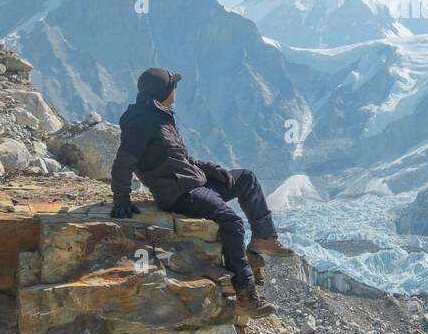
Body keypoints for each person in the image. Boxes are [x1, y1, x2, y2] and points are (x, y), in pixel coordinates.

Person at [108, 67, 293, 318]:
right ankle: (246, 294)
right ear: (164, 91)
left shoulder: (160, 115)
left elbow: (181, 158)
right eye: (173, 85)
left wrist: (211, 169)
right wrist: (121, 198)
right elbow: (123, 162)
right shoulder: (142, 121)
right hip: (179, 194)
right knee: (232, 222)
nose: (175, 90)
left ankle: (264, 238)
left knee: (246, 178)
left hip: (192, 182)